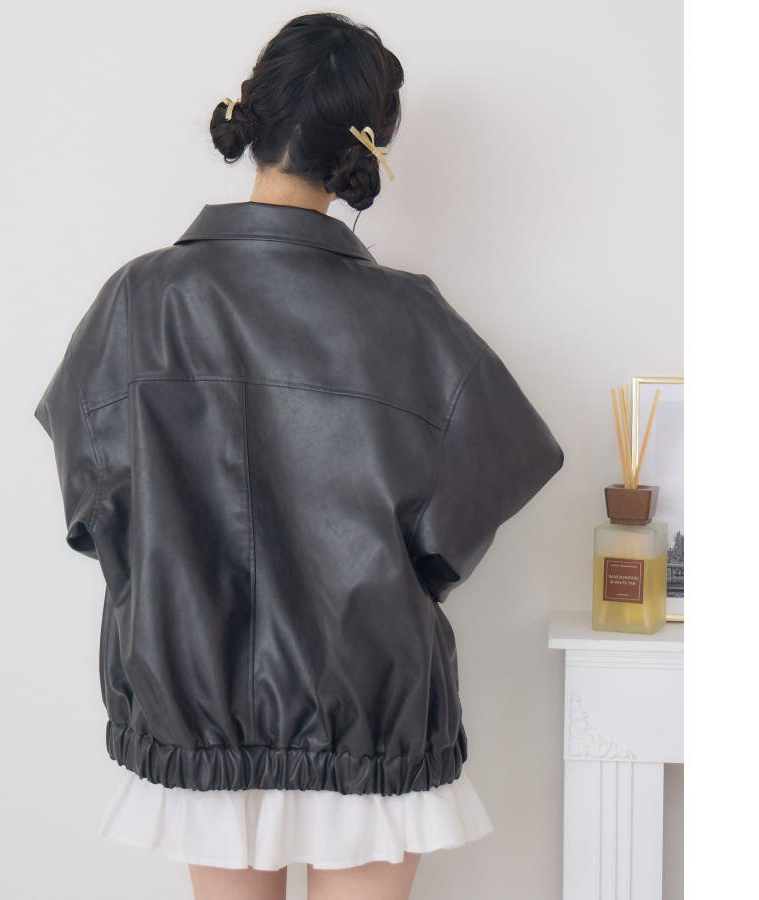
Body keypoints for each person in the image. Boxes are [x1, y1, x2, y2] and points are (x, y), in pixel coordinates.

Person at [34, 12, 564, 900]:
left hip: (201, 718)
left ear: (258, 116)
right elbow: (481, 498)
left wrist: (172, 578)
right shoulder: (412, 320)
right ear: (365, 149)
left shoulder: (139, 301)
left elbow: (93, 512)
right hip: (369, 717)